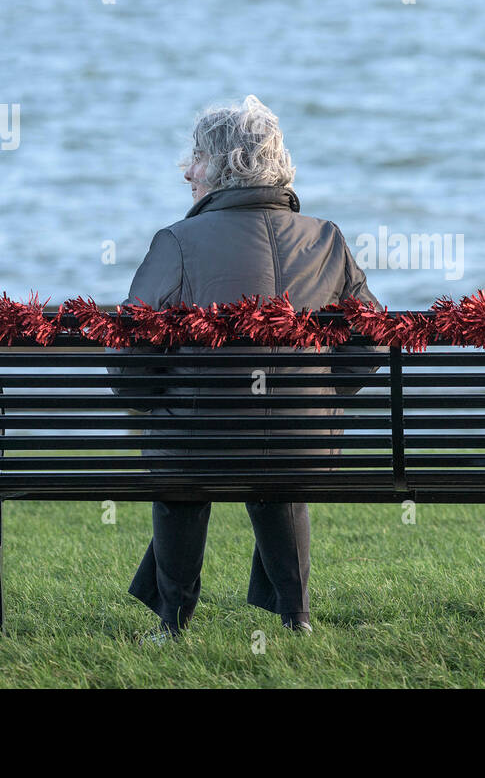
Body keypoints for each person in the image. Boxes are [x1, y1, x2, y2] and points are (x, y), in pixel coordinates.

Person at [112, 95, 381, 639]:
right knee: (272, 445)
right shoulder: (327, 239)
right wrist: (320, 396)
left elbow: (130, 369)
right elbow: (370, 344)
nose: (187, 170)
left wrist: (162, 397)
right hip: (303, 444)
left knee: (181, 446)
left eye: (197, 158)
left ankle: (172, 621)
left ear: (228, 166)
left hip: (197, 445)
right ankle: (295, 616)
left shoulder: (176, 242)